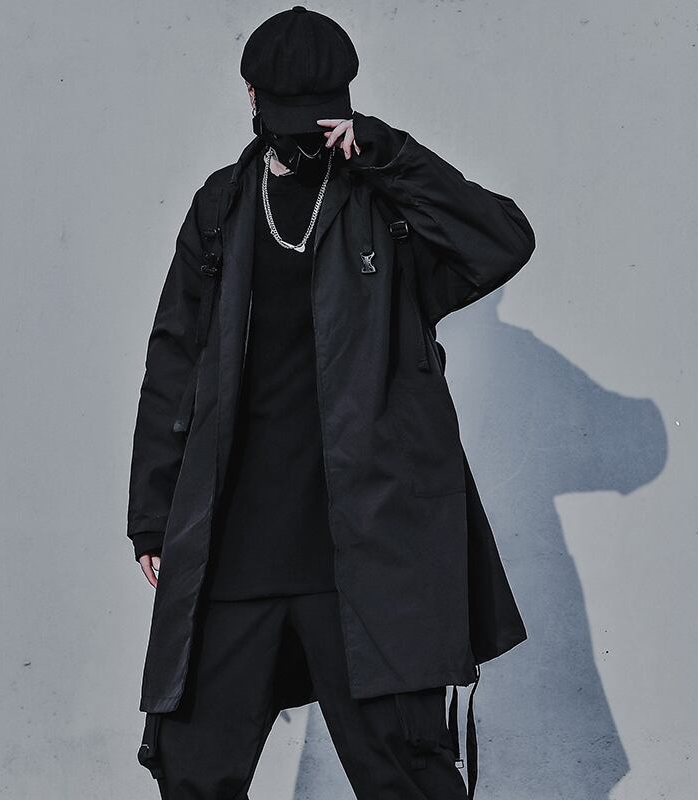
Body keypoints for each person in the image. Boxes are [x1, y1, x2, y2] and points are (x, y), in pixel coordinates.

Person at [128, 6, 535, 799]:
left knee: (404, 775)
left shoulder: (382, 201)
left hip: (367, 546)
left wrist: (389, 153)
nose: (302, 137)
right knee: (193, 770)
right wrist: (152, 512)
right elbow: (173, 360)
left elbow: (501, 241)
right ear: (251, 97)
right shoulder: (221, 207)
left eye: (318, 118)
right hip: (235, 544)